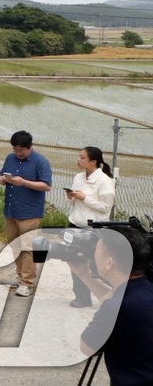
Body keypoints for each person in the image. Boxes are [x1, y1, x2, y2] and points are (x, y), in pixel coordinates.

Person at [74, 226, 153, 386]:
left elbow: (88, 348)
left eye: (95, 250)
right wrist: (83, 274)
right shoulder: (144, 288)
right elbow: (117, 298)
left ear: (109, 262)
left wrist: (107, 306)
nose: (92, 256)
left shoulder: (116, 307)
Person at [0, 130, 52, 298]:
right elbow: (2, 173)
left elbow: (46, 185)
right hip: (11, 210)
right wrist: (1, 179)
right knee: (14, 245)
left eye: (21, 150)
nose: (18, 153)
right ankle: (20, 276)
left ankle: (28, 282)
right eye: (15, 149)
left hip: (30, 212)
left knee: (27, 248)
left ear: (30, 148)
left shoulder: (40, 162)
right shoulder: (10, 158)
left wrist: (24, 182)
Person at [67, 146, 116, 307]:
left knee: (95, 265)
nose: (78, 160)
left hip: (93, 229)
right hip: (75, 223)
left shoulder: (104, 181)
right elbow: (75, 202)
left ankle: (113, 294)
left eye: (82, 157)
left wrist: (85, 197)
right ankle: (81, 297)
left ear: (93, 162)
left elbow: (106, 207)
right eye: (79, 156)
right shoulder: (78, 177)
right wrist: (72, 197)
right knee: (74, 261)